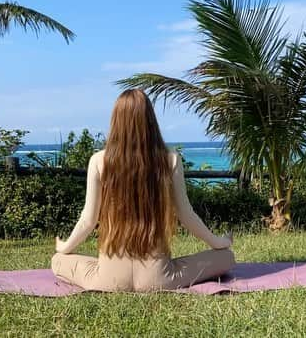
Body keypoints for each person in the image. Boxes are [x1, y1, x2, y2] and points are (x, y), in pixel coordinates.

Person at [51, 89, 235, 292]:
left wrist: (65, 247)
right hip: (160, 278)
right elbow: (186, 215)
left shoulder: (98, 161)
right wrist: (218, 242)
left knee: (58, 260)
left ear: (116, 121)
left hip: (107, 279)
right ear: (150, 120)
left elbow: (88, 219)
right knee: (227, 257)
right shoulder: (170, 159)